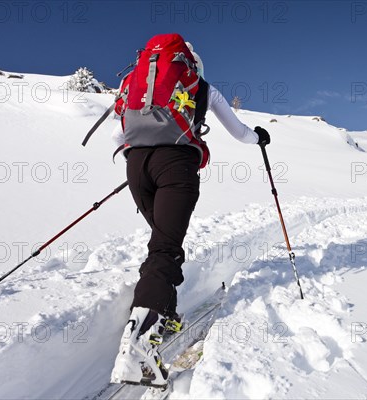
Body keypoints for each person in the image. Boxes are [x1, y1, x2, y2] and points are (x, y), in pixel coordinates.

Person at [110, 38, 270, 387]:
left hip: (136, 166)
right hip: (177, 166)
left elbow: (117, 133)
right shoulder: (203, 88)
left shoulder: (131, 81)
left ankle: (164, 312)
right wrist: (259, 139)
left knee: (163, 240)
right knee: (165, 246)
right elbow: (240, 133)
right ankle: (138, 346)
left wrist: (141, 157)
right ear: (191, 65)